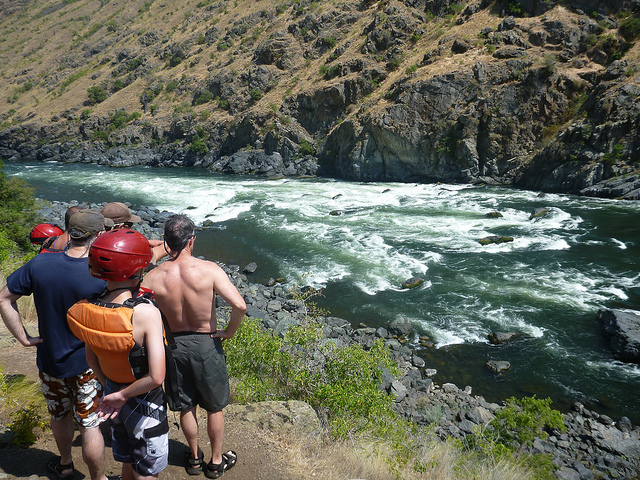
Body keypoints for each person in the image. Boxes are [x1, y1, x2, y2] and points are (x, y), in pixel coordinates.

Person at [0, 210, 112, 480]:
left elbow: (4, 298)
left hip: (50, 360)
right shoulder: (100, 273)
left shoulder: (40, 264)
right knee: (89, 424)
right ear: (97, 236)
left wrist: (23, 337)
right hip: (89, 364)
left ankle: (64, 464)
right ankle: (98, 478)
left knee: (59, 415)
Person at [141, 214, 245, 479]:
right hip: (206, 343)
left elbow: (137, 306)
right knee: (214, 406)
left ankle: (195, 458)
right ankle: (216, 461)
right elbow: (240, 305)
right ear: (192, 241)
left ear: (167, 242)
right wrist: (228, 332)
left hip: (174, 345)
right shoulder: (209, 269)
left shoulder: (153, 277)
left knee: (186, 406)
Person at [68, 229, 168, 480]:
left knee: (127, 456)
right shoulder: (144, 313)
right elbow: (157, 377)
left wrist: (112, 391)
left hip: (111, 394)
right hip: (144, 398)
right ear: (136, 271)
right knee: (147, 467)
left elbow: (91, 359)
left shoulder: (87, 307)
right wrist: (123, 395)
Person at [101, 202, 167, 264]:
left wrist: (147, 242)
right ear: (120, 227)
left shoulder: (95, 241)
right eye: (129, 224)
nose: (130, 228)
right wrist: (166, 246)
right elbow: (147, 261)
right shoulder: (117, 252)